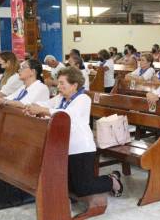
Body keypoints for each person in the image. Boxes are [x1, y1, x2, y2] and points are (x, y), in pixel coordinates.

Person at [25, 67, 123, 204]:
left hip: (81, 148)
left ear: (74, 85)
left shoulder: (83, 98)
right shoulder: (61, 98)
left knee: (83, 188)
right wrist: (32, 106)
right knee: (68, 186)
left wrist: (41, 110)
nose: (58, 86)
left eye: (62, 83)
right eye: (58, 83)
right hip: (64, 147)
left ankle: (111, 180)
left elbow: (66, 115)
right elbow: (47, 104)